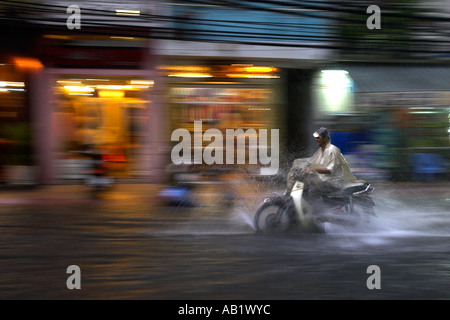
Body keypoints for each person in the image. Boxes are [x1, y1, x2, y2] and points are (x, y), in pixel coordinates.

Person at [285, 127, 358, 197]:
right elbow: (311, 162)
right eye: (316, 138)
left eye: (318, 138)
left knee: (312, 191)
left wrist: (313, 169)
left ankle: (319, 209)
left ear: (325, 139)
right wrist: (302, 167)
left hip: (333, 182)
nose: (316, 140)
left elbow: (329, 170)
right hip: (322, 179)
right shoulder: (320, 151)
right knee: (305, 187)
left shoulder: (333, 150)